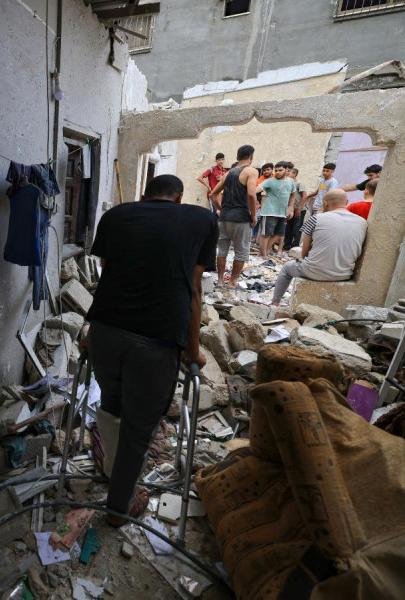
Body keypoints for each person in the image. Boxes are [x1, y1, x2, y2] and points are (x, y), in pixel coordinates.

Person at [85, 174, 218, 527]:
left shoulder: (117, 215)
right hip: (156, 342)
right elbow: (194, 288)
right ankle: (118, 509)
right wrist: (193, 350)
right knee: (138, 431)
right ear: (179, 198)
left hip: (105, 333)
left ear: (144, 197)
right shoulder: (201, 219)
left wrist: (89, 328)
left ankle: (113, 472)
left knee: (112, 407)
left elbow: (108, 275)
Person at [270, 188, 367, 306]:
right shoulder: (363, 222)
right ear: (347, 202)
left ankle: (275, 302)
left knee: (286, 268)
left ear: (325, 203)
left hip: (315, 271)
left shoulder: (316, 218)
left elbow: (304, 253)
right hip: (343, 274)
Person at [210, 145, 258, 289]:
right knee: (241, 252)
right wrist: (253, 215)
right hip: (241, 218)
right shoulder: (251, 171)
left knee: (222, 251)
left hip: (224, 218)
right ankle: (232, 282)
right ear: (251, 157)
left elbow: (213, 194)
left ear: (237, 157)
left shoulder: (227, 173)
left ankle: (220, 281)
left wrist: (221, 209)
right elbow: (251, 194)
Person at [256, 161, 296, 257]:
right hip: (269, 212)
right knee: (266, 234)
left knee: (278, 234)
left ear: (286, 170)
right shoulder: (270, 181)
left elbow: (293, 193)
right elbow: (255, 190)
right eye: (276, 170)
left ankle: (263, 252)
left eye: (280, 170)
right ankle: (263, 255)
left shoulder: (290, 181)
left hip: (282, 212)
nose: (277, 172)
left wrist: (290, 207)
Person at [283, 167, 307, 250]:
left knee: (296, 229)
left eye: (289, 172)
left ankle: (294, 247)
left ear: (294, 174)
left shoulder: (299, 183)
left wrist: (299, 208)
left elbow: (305, 196)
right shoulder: (287, 183)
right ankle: (286, 246)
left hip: (299, 210)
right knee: (288, 228)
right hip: (290, 210)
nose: (287, 173)